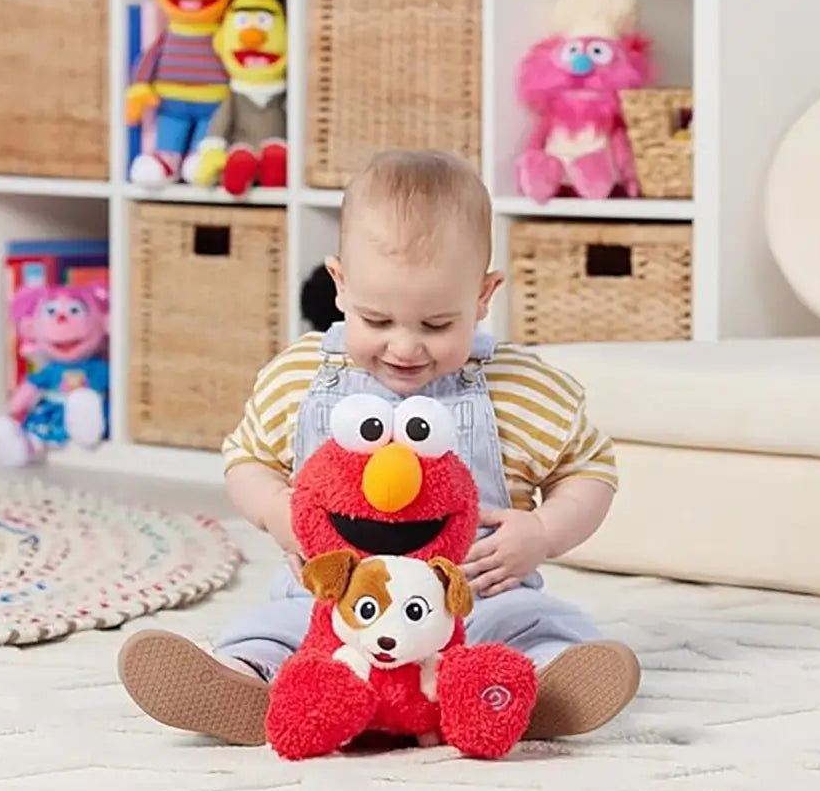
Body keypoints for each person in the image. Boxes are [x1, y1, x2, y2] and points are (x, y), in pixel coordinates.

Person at [118, 149, 640, 745]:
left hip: (472, 606)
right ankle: (249, 682)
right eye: (378, 319)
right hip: (331, 608)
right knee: (273, 628)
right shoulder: (299, 377)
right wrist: (273, 510)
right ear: (340, 285)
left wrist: (543, 533)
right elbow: (248, 458)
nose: (405, 347)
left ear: (483, 297)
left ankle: (531, 688)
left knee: (535, 627)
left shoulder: (521, 388)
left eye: (437, 325)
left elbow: (590, 470)